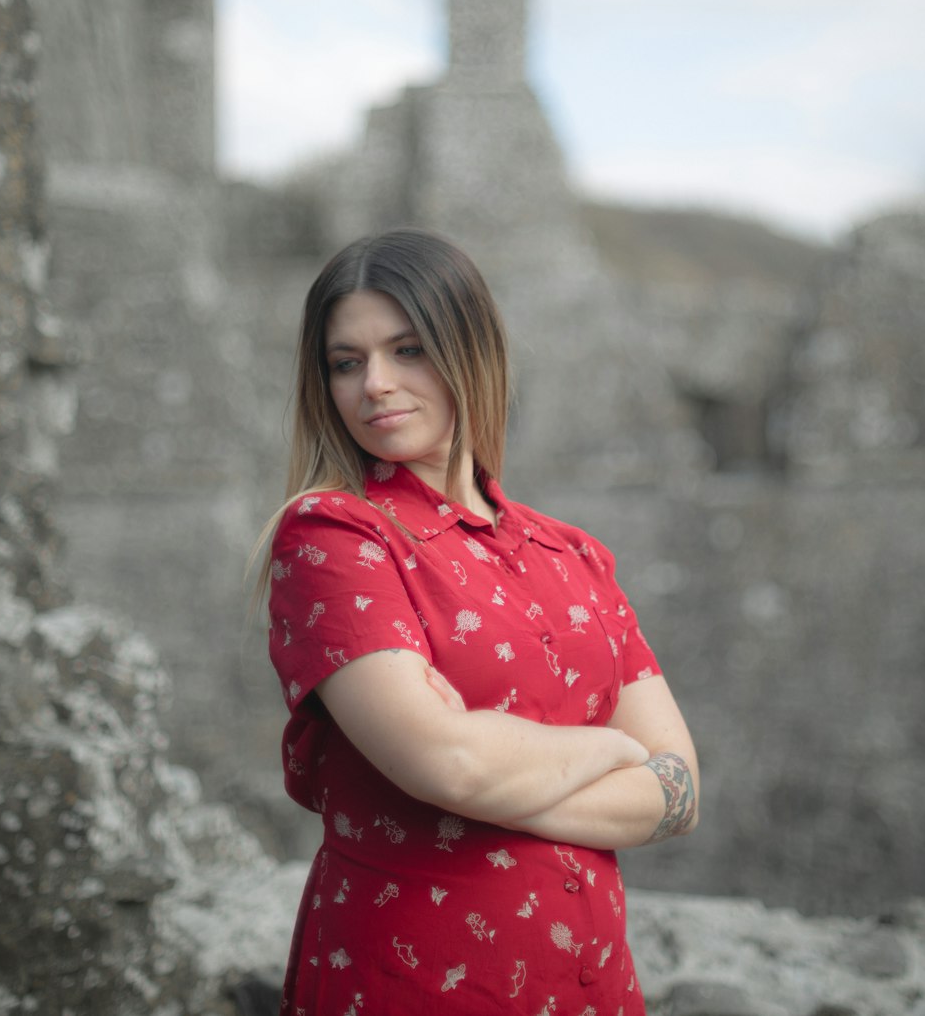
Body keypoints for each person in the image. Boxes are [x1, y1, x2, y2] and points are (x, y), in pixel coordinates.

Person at [261, 228, 699, 1016]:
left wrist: (500, 773)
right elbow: (449, 764)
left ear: (471, 350)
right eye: (346, 362)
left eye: (408, 350)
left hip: (594, 987)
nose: (377, 385)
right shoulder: (334, 538)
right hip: (416, 985)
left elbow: (681, 791)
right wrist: (614, 750)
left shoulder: (573, 555)